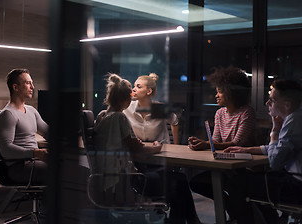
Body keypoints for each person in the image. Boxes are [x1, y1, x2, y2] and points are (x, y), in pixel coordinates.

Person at [94, 73, 201, 224]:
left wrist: (174, 145)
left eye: (138, 86)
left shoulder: (102, 117)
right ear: (126, 99)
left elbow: (175, 121)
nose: (134, 91)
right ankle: (188, 220)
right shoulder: (124, 113)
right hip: (129, 179)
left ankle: (185, 220)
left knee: (176, 183)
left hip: (118, 176)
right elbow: (137, 148)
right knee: (178, 182)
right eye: (132, 89)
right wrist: (154, 148)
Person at [223, 79, 302, 223]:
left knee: (236, 182)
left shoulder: (292, 121)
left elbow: (275, 162)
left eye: (272, 100)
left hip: (296, 187)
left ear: (287, 105)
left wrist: (274, 131)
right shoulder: (297, 117)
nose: (267, 103)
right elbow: (279, 149)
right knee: (250, 180)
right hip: (295, 180)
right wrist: (246, 149)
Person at [187, 66, 256, 218]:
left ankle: (239, 214)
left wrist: (207, 144)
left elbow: (238, 143)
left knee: (233, 186)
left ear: (232, 92)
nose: (216, 95)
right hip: (225, 165)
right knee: (196, 182)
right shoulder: (219, 113)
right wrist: (203, 143)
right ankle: (232, 209)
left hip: (242, 167)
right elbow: (216, 141)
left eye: (220, 91)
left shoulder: (247, 112)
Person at [0, 68, 49, 184]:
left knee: (73, 166)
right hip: (19, 166)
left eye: (32, 83)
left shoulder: (31, 111)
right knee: (66, 171)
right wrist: (35, 153)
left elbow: (48, 132)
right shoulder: (8, 114)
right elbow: (6, 150)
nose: (32, 87)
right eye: (28, 83)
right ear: (16, 87)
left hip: (35, 161)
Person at [123, 73, 179, 145]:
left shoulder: (159, 109)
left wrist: (176, 146)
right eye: (134, 86)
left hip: (162, 149)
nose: (133, 89)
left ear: (149, 91)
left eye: (138, 87)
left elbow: (174, 121)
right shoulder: (127, 107)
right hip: (141, 149)